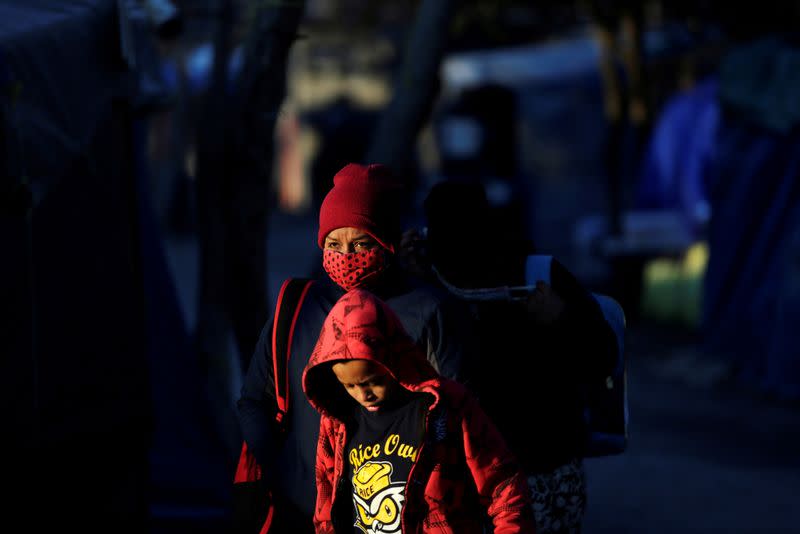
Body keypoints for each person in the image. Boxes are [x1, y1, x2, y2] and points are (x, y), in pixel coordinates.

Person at [236, 163, 478, 532]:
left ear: (388, 243)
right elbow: (255, 400)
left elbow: (456, 419)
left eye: (361, 243)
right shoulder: (297, 306)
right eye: (333, 244)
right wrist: (282, 470)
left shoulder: (429, 311)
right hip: (299, 513)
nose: (346, 255)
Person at [400, 179, 619, 534]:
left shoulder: (537, 276)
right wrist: (411, 283)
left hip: (542, 473)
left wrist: (561, 318)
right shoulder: (431, 277)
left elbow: (602, 357)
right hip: (464, 480)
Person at [302, 288, 536, 533]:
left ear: (393, 361)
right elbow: (326, 506)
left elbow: (504, 484)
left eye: (374, 381)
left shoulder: (446, 405)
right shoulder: (337, 422)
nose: (363, 394)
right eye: (349, 386)